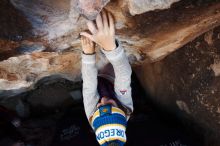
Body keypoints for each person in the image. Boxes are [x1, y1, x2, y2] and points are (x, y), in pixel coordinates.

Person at [80, 10, 133, 146]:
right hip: (111, 80)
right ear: (120, 110)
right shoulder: (126, 108)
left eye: (98, 108)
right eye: (109, 104)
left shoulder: (93, 118)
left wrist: (88, 55)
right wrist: (110, 47)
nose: (101, 102)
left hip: (99, 83)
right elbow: (124, 76)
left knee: (94, 80)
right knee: (117, 67)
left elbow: (89, 88)